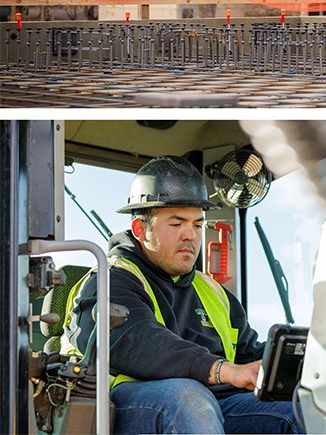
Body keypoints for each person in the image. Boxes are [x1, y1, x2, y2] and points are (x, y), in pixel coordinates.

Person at [62, 156, 303, 434]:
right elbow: (139, 342)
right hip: (119, 407)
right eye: (176, 224)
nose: (190, 235)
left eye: (197, 225)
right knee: (188, 398)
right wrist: (221, 370)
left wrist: (299, 361)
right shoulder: (110, 279)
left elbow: (247, 356)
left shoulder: (212, 292)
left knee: (299, 411)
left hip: (213, 406)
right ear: (141, 229)